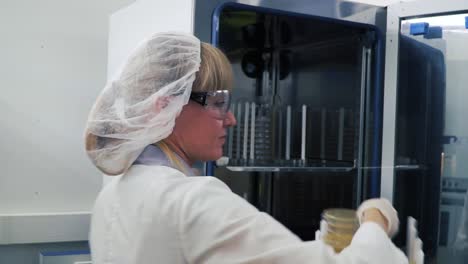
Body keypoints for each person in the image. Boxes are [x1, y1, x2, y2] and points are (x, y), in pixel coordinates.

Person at [84, 32, 408, 264]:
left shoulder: (111, 196)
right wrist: (375, 220)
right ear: (167, 106)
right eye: (218, 102)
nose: (232, 119)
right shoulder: (193, 201)